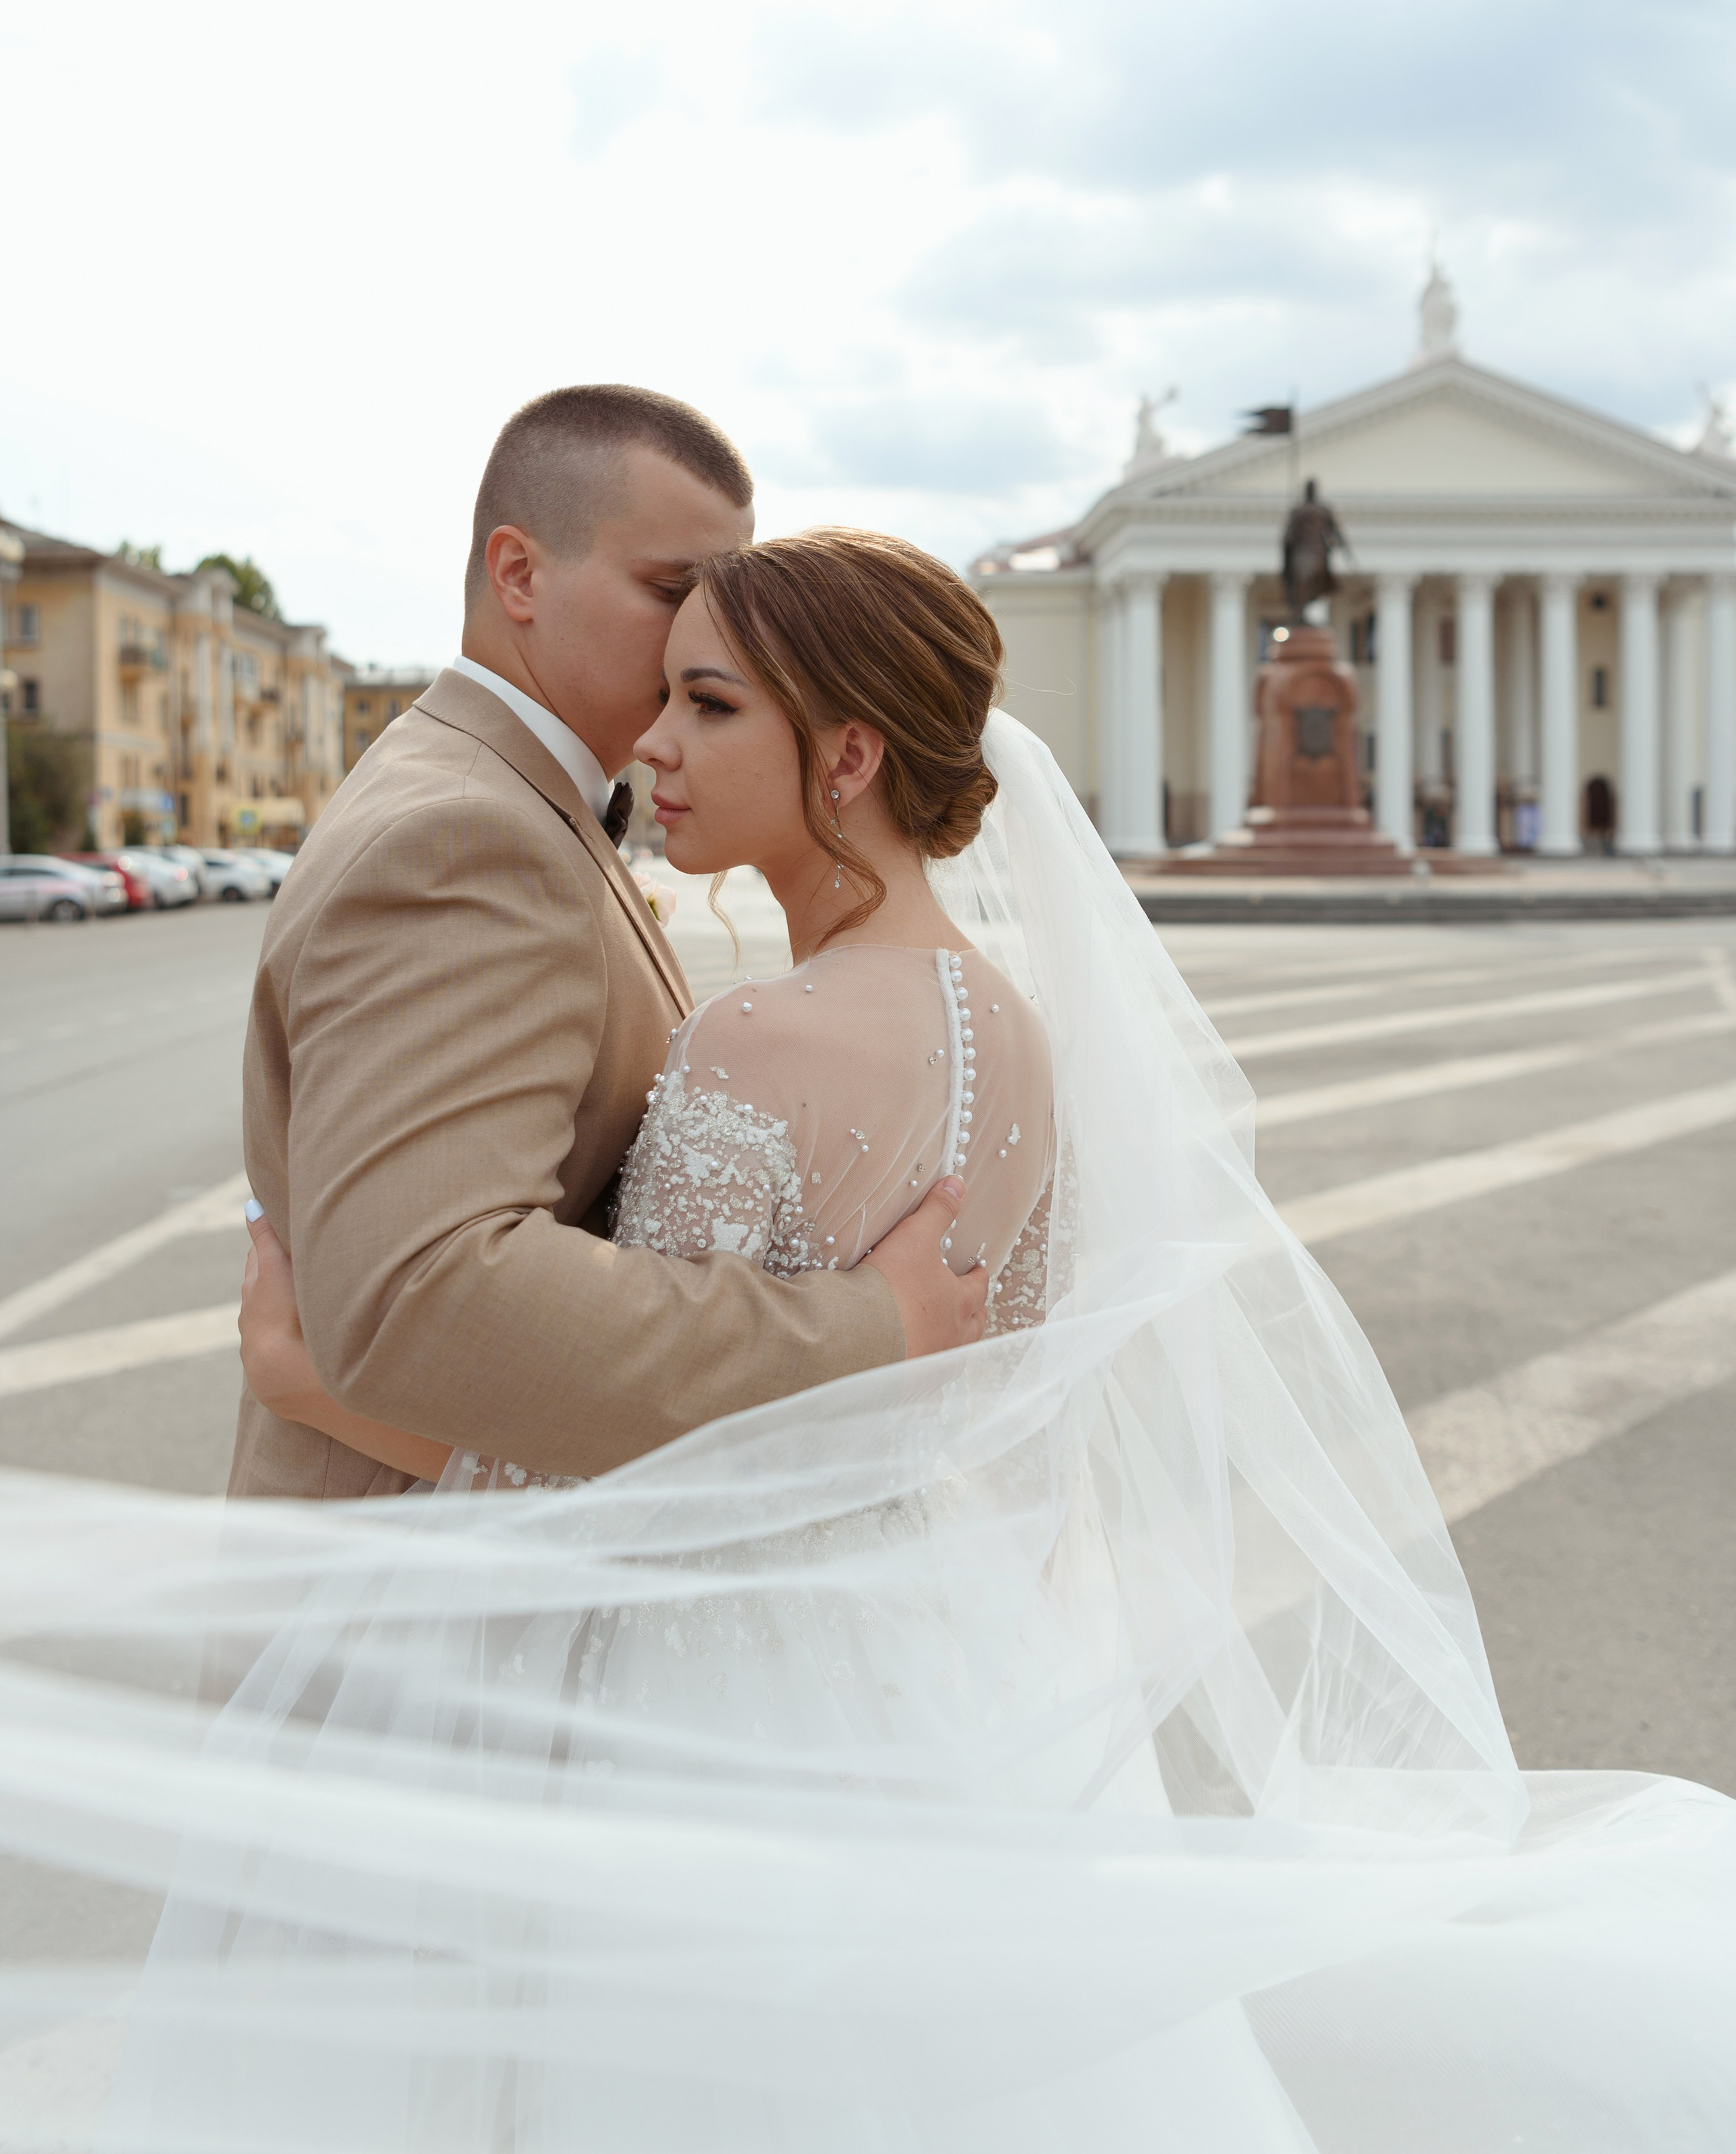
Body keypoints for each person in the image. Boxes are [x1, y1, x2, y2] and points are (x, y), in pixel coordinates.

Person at [6, 530, 1736, 2151]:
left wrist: (307, 1370)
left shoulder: (758, 1041)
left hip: (714, 1728)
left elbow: (619, 1447)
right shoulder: (1017, 1032)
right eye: (667, 691)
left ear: (842, 758)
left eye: (710, 704)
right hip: (941, 1677)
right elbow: (983, 1416)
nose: (654, 743)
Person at [231, 386, 987, 1510]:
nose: (707, 631)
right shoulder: (466, 832)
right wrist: (863, 1336)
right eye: (674, 590)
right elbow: (422, 1295)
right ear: (520, 574)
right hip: (418, 1616)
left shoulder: (504, 802)